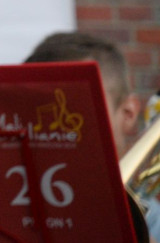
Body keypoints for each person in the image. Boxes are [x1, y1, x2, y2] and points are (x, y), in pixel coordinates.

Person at [25, 31, 158, 242]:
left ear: (128, 113)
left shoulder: (153, 221)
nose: (57, 129)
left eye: (78, 107)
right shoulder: (16, 211)